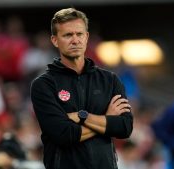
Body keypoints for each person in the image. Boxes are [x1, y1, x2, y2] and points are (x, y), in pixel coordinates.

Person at [30, 8, 133, 169]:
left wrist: (81, 116)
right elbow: (63, 135)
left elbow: (124, 127)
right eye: (67, 35)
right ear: (55, 40)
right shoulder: (43, 85)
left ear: (87, 37)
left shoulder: (109, 80)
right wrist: (106, 120)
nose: (75, 40)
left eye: (79, 34)